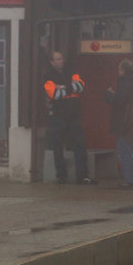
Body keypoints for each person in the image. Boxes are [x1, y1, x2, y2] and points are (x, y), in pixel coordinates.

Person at [43, 51, 91, 184]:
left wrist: (63, 87)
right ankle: (61, 176)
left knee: (80, 144)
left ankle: (82, 176)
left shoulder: (72, 72)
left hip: (73, 116)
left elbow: (81, 86)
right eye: (58, 59)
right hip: (58, 117)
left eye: (61, 58)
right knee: (57, 147)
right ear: (52, 62)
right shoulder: (48, 77)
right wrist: (71, 87)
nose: (61, 61)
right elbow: (54, 94)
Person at [105, 58, 133, 189]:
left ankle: (130, 180)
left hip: (124, 122)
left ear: (122, 71)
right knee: (132, 150)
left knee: (124, 151)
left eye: (119, 69)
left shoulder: (125, 82)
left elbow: (119, 101)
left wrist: (109, 95)